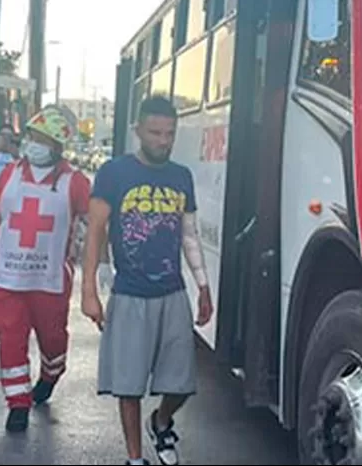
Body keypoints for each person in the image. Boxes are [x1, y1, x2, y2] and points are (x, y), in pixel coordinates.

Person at [82, 96, 213, 466]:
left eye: (169, 134)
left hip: (172, 292)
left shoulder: (180, 176)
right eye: (155, 133)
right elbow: (95, 231)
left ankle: (161, 420)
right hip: (130, 293)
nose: (163, 141)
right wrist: (89, 290)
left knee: (182, 382)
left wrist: (203, 285)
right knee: (129, 384)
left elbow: (189, 234)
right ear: (138, 131)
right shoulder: (114, 173)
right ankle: (135, 458)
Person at [0, 104, 91, 432]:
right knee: (11, 338)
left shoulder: (75, 181)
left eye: (41, 138)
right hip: (9, 274)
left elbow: (97, 220)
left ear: (56, 145)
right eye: (32, 136)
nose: (33, 143)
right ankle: (17, 403)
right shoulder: (10, 173)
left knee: (52, 340)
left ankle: (51, 374)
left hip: (50, 279)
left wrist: (100, 261)